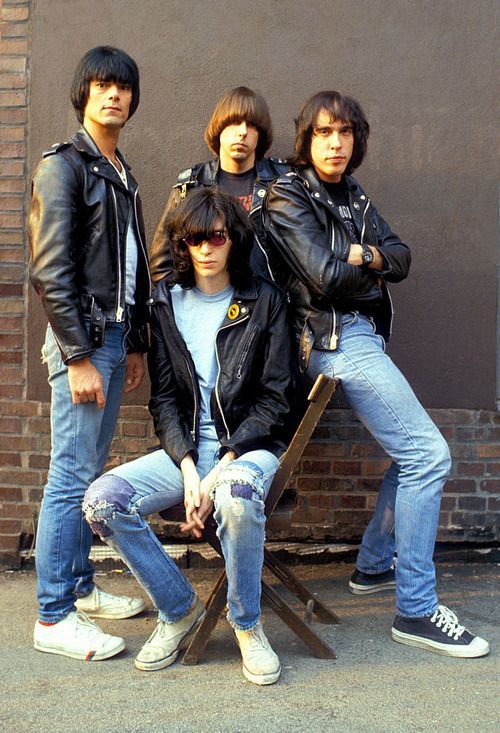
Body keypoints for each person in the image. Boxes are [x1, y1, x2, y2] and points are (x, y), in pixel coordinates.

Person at [261, 90, 489, 658]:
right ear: (305, 139)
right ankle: (415, 610)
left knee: (413, 456)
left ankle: (372, 565)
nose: (334, 143)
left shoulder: (355, 195)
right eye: (322, 133)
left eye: (344, 133)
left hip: (361, 336)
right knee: (428, 456)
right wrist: (367, 264)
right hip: (334, 339)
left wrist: (364, 257)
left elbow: (403, 255)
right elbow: (322, 277)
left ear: (356, 140)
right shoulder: (289, 192)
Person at [83, 188, 292, 684]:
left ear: (233, 240)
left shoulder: (265, 302)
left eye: (216, 236)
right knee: (102, 501)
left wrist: (221, 467)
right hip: (190, 455)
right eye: (195, 238)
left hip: (248, 448)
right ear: (183, 244)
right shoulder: (165, 302)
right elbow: (166, 402)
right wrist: (188, 467)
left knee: (237, 499)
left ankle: (247, 625)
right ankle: (179, 609)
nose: (205, 248)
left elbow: (276, 401)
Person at [29, 46, 151, 661]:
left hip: (111, 337)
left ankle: (79, 588)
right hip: (83, 342)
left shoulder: (120, 171)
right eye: (102, 85)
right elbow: (51, 269)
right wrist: (78, 353)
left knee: (87, 474)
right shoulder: (65, 166)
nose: (114, 96)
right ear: (84, 94)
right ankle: (53, 617)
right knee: (71, 476)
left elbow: (128, 271)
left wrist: (133, 345)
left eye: (123, 87)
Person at [149, 86, 289, 283]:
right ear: (219, 128)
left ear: (260, 135)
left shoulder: (283, 182)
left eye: (251, 125)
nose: (242, 132)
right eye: (234, 123)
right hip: (208, 306)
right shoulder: (192, 185)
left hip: (270, 307)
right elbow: (161, 265)